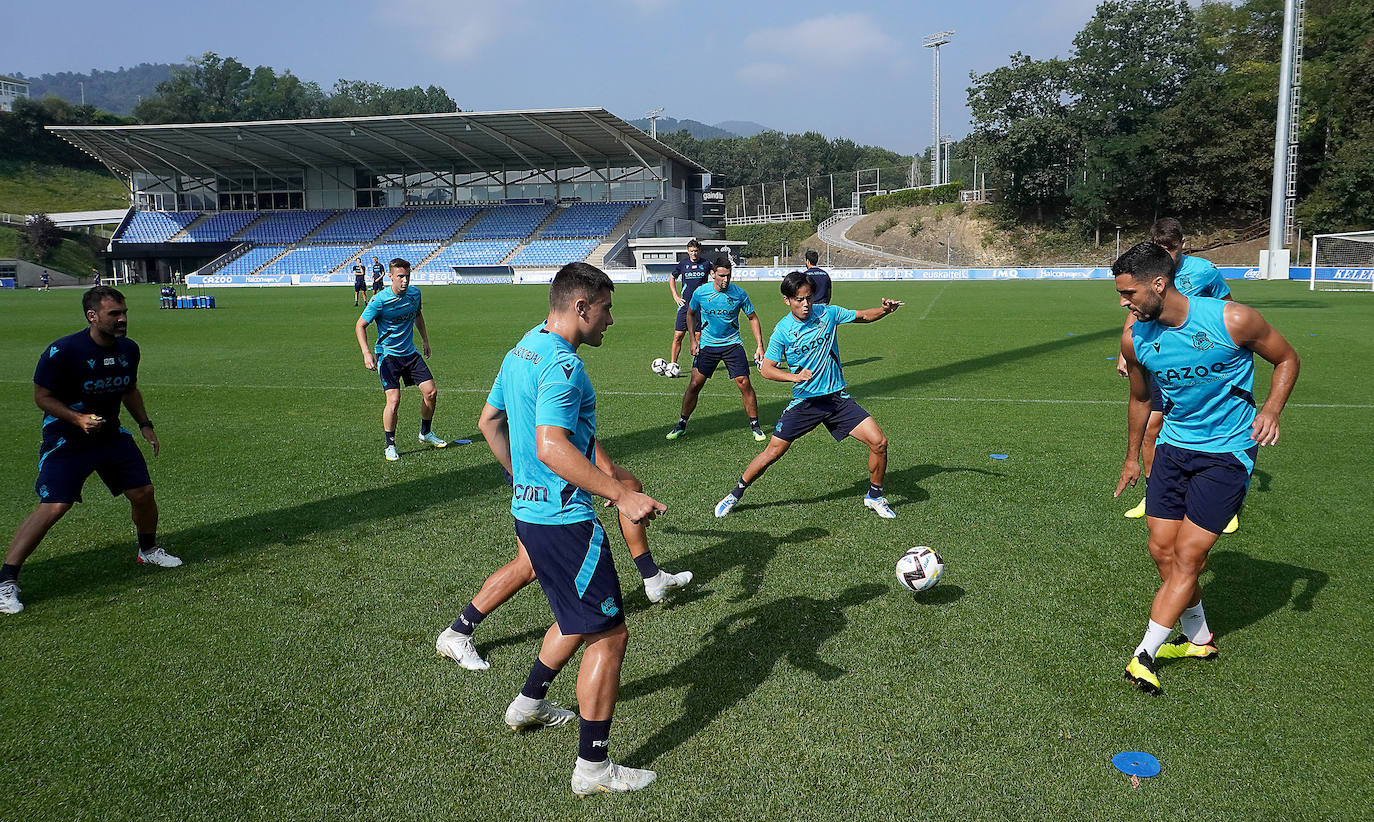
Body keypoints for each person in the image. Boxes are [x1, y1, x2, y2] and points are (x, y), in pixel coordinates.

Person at [458, 262, 664, 795]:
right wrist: (621, 492)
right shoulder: (565, 369)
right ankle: (593, 768)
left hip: (529, 514)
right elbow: (552, 446)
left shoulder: (521, 348)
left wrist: (517, 478)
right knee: (609, 634)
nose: (610, 320)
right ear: (581, 306)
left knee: (574, 618)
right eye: (606, 309)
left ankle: (527, 704)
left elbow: (489, 422)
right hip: (566, 521)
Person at [1112, 241, 1299, 695]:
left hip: (1228, 452)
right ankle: (1200, 639)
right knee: (1162, 550)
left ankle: (1145, 653)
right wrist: (1133, 456)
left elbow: (1287, 359)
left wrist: (1272, 409)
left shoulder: (1232, 319)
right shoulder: (1135, 337)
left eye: (1130, 293)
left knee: (1190, 558)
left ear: (1159, 284)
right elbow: (1139, 398)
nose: (1124, 302)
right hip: (1174, 449)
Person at [1, 286, 182, 615]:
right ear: (92, 316)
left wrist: (145, 423)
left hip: (110, 434)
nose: (122, 319)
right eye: (114, 314)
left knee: (143, 492)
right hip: (67, 437)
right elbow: (41, 397)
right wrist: (77, 418)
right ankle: (6, 581)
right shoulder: (63, 351)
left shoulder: (129, 350)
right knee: (55, 506)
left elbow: (129, 389)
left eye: (124, 312)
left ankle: (148, 550)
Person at [714, 270, 904, 519]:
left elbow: (864, 316)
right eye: (799, 300)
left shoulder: (828, 313)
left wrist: (885, 310)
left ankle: (875, 497)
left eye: (809, 299)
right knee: (773, 453)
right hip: (805, 402)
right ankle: (734, 494)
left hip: (836, 399)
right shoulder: (782, 331)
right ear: (787, 300)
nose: (805, 305)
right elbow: (767, 370)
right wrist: (795, 377)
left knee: (879, 442)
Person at [1119, 218, 1238, 531]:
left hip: (1197, 358)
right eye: (1162, 249)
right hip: (1159, 356)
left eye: (1172, 248)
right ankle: (1153, 493)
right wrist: (1124, 352)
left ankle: (1221, 497)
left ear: (1183, 243)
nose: (1168, 255)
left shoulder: (1204, 271)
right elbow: (1135, 311)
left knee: (1205, 424)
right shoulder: (1144, 273)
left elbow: (1225, 307)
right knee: (1151, 427)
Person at [354, 258, 448, 462]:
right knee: (394, 400)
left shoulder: (415, 294)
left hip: (410, 353)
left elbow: (418, 315)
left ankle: (425, 432)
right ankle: (390, 444)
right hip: (388, 356)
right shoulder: (379, 300)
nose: (405, 281)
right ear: (390, 277)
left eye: (407, 276)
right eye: (400, 277)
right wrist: (366, 353)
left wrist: (425, 340)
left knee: (431, 393)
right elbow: (360, 325)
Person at [664, 256, 767, 442]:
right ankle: (681, 423)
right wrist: (693, 341)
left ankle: (755, 425)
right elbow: (690, 313)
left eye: (728, 275)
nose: (725, 280)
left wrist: (760, 345)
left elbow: (753, 317)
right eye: (721, 275)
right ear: (713, 274)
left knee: (744, 382)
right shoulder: (701, 293)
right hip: (708, 345)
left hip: (732, 344)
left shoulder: (739, 294)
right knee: (695, 384)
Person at [665, 239, 710, 374]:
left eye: (696, 251)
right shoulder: (683, 264)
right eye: (691, 251)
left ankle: (696, 365)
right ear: (688, 251)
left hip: (700, 307)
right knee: (678, 335)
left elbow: (717, 275)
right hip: (685, 306)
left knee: (698, 336)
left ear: (699, 251)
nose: (694, 253)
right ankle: (673, 364)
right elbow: (672, 277)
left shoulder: (706, 264)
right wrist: (675, 296)